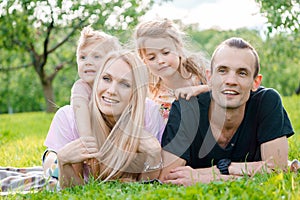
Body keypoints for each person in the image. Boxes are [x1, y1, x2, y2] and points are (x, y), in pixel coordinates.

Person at [159, 37, 295, 186]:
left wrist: (211, 174)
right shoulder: (187, 109)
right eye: (222, 71)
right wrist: (250, 170)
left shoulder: (267, 101)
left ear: (255, 82)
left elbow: (277, 170)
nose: (231, 80)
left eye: (242, 73)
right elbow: (168, 176)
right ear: (210, 77)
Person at [43, 50, 165, 189]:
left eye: (125, 84)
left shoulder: (149, 114)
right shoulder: (68, 117)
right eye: (106, 79)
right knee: (52, 168)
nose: (112, 90)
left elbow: (146, 187)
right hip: (55, 163)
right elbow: (72, 192)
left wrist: (154, 154)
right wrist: (63, 161)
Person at [42, 26, 121, 188]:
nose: (88, 62)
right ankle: (54, 174)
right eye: (82, 57)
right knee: (54, 160)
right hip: (66, 151)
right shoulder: (80, 88)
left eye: (96, 56)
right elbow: (80, 112)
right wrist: (88, 145)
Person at [134, 19, 209, 123]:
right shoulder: (152, 96)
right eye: (151, 58)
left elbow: (226, 91)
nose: (160, 61)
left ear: (178, 48)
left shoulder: (202, 76)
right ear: (144, 61)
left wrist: (202, 89)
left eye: (165, 53)